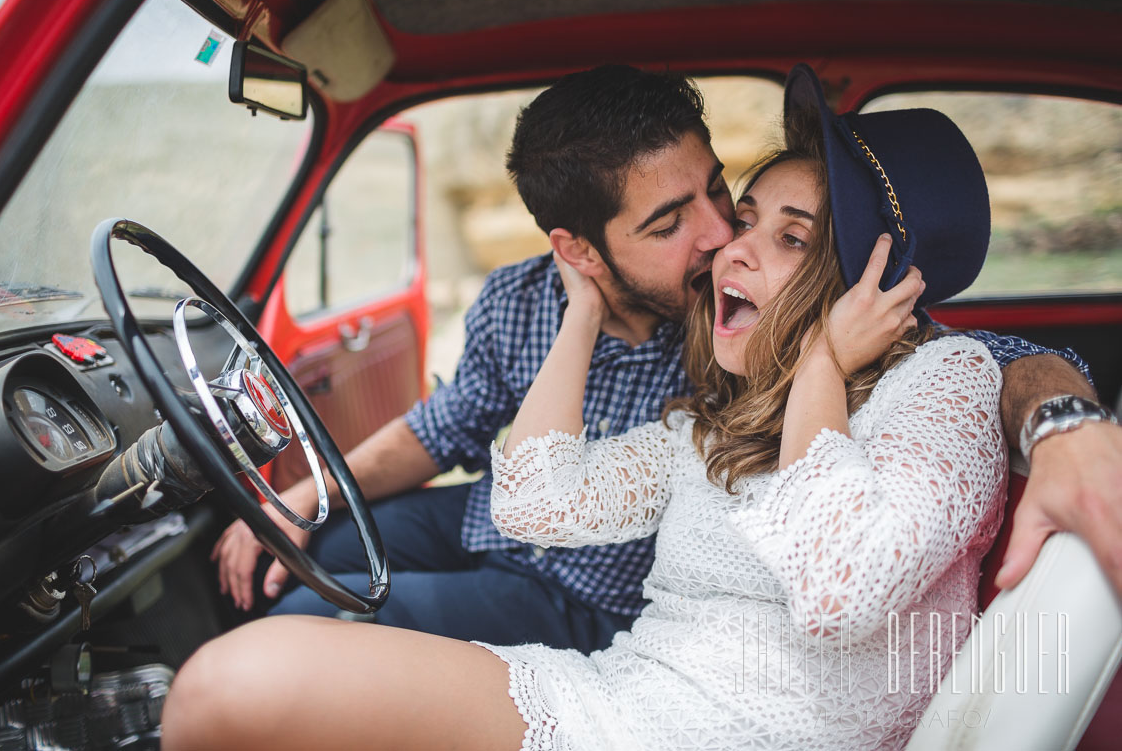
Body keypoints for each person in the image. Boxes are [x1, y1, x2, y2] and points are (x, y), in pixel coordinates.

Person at [164, 62, 1009, 751]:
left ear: (871, 284)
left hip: (638, 675)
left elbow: (837, 592)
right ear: (578, 249)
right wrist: (580, 318)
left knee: (274, 647)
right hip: (624, 690)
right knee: (262, 637)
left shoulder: (938, 377)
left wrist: (825, 360)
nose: (723, 243)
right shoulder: (720, 410)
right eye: (721, 217)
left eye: (782, 234)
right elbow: (526, 498)